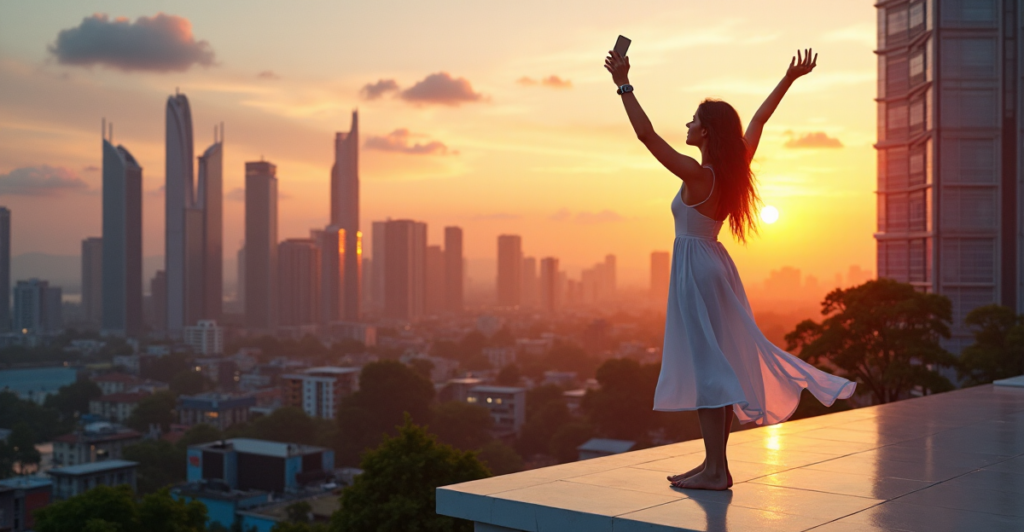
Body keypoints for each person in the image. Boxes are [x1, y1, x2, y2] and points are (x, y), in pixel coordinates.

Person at [604, 47, 857, 491]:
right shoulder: (734, 166)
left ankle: (716, 470)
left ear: (706, 134)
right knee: (714, 367)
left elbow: (647, 136)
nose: (686, 126)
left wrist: (623, 83)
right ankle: (713, 467)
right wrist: (788, 78)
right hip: (715, 265)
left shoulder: (699, 177)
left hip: (697, 269)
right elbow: (758, 121)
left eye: (692, 121)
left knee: (708, 372)